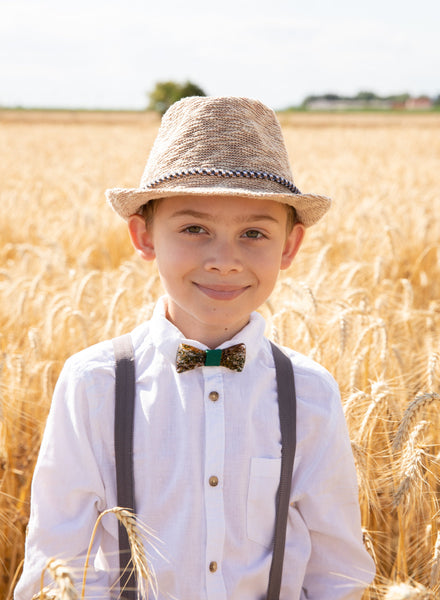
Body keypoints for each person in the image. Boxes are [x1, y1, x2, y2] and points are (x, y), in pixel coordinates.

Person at [15, 96, 375, 600]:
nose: (224, 260)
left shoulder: (310, 393)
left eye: (254, 233)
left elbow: (336, 570)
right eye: (194, 229)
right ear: (144, 236)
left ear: (290, 247)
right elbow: (57, 563)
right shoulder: (93, 383)